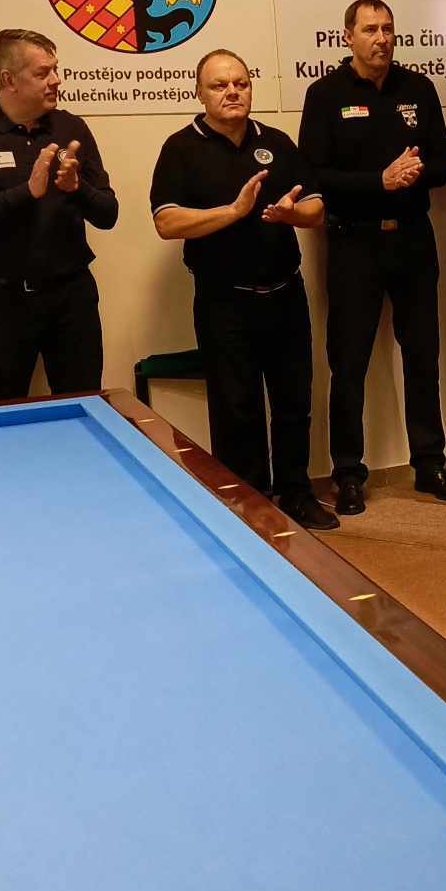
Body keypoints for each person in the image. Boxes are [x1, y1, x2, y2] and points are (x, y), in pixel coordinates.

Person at [150, 49, 334, 530]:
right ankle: (250, 505)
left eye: (241, 83)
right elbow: (167, 222)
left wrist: (292, 215)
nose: (232, 92)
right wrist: (233, 212)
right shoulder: (181, 148)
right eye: (219, 85)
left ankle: (296, 493)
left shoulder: (276, 142)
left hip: (285, 294)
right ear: (199, 92)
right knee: (236, 409)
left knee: (294, 402)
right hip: (224, 301)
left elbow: (316, 209)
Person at [298, 0, 446, 512]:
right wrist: (379, 181)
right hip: (354, 241)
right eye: (370, 29)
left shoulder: (419, 89)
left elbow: (444, 165)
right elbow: (313, 175)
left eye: (388, 28)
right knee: (349, 362)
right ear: (347, 36)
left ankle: (430, 463)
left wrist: (415, 172)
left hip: (413, 238)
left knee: (423, 356)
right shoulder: (325, 94)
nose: (382, 38)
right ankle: (348, 473)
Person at [0, 28, 118, 400]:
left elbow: (108, 214)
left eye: (56, 69)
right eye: (43, 73)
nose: (56, 80)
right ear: (8, 80)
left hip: (71, 298)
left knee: (84, 404)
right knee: (3, 413)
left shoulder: (71, 127)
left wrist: (77, 188)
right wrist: (27, 192)